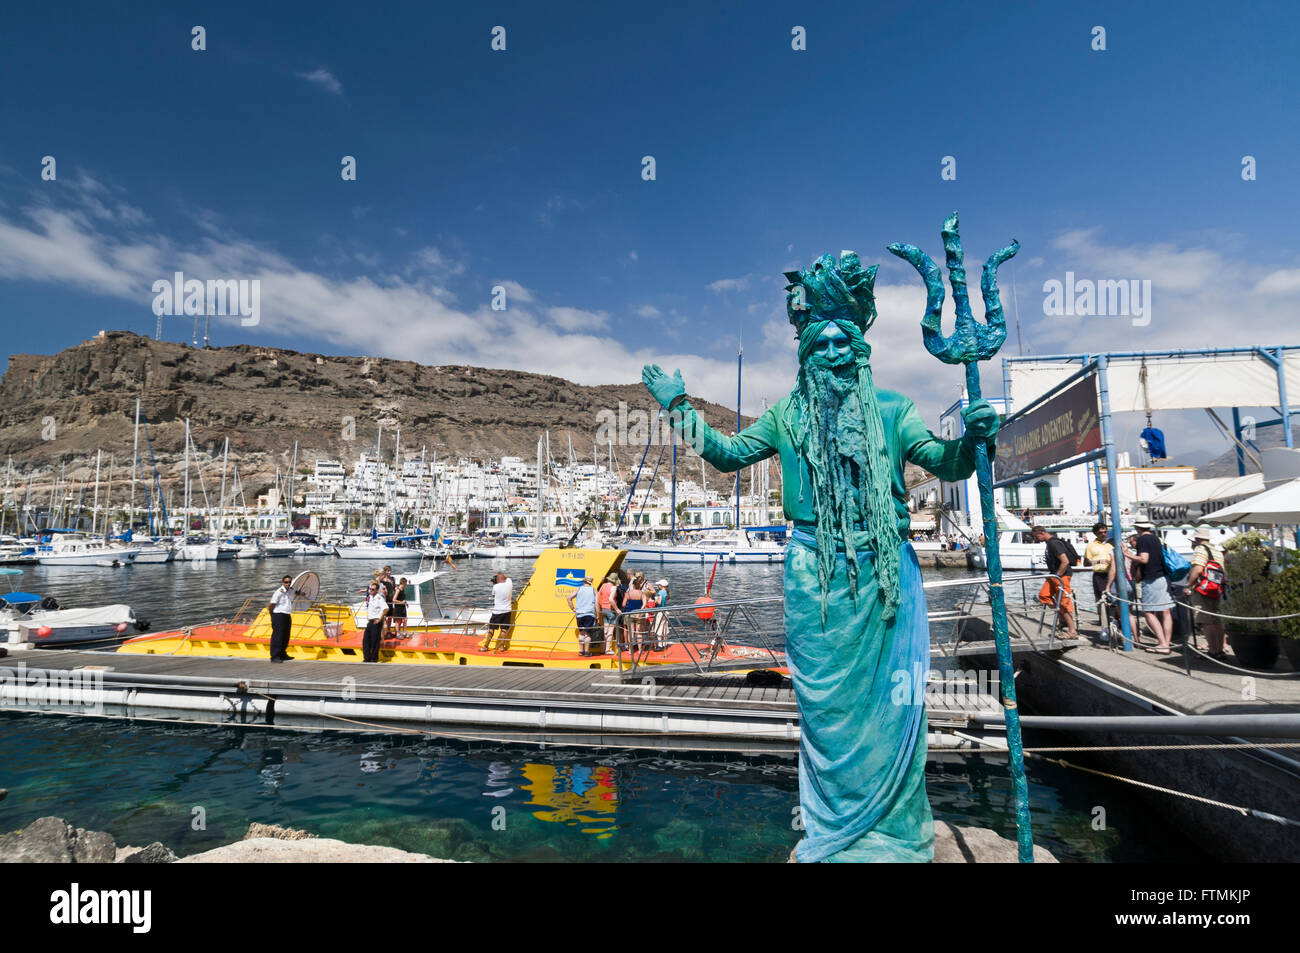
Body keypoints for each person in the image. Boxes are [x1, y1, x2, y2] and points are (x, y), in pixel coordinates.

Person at [642, 249, 999, 862]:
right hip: (815, 574)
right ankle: (836, 832)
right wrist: (680, 407)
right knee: (827, 710)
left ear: (860, 347)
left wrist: (974, 437)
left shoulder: (892, 409)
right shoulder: (787, 414)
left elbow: (944, 461)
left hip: (886, 572)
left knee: (895, 703)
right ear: (805, 352)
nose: (833, 352)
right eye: (820, 344)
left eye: (843, 342)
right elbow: (727, 455)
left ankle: (896, 834)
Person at [1122, 520, 1174, 653]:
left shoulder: (1143, 540)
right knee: (1166, 611)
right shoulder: (1156, 538)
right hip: (1163, 576)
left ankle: (1162, 643)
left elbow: (1144, 559)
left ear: (1137, 527)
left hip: (1151, 579)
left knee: (1149, 612)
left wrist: (1128, 554)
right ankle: (1166, 643)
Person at [1185, 528, 1228, 660]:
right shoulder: (1216, 551)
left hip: (1203, 589)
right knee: (1216, 620)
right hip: (1215, 588)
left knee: (1206, 621)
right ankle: (1220, 650)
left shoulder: (1200, 549)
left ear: (1196, 539)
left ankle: (1213, 651)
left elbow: (1198, 569)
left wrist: (1188, 585)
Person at [1031, 525, 1079, 639]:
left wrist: (1057, 576)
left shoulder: (1054, 543)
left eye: (1036, 536)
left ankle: (1072, 631)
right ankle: (1063, 620)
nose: (1036, 539)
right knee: (1043, 595)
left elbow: (1065, 561)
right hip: (1054, 575)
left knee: (1063, 603)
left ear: (1041, 533)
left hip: (1062, 576)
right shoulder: (1049, 543)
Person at [1084, 522, 1115, 630]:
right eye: (1100, 532)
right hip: (1100, 576)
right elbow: (1086, 563)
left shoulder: (1111, 544)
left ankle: (1116, 622)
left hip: (1113, 575)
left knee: (1115, 600)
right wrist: (1100, 561)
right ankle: (1104, 625)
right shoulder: (1091, 546)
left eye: (1105, 532)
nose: (1103, 534)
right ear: (1095, 533)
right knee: (1101, 601)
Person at [566, 573, 600, 657]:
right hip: (589, 614)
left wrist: (573, 609)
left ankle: (581, 651)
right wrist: (598, 614)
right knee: (587, 634)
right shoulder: (593, 590)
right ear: (590, 582)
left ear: (584, 581)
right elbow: (597, 604)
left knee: (581, 633)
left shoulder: (579, 589)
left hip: (580, 614)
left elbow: (569, 598)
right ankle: (587, 652)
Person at [481, 572, 513, 652]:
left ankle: (486, 646)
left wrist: (496, 576)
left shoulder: (495, 586)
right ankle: (502, 647)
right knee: (504, 630)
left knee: (491, 629)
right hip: (507, 611)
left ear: (498, 579)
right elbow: (507, 577)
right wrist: (499, 575)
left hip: (497, 612)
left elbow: (493, 596)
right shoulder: (509, 583)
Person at [268, 574, 297, 662]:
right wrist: (272, 615)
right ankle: (275, 656)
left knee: (286, 635)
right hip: (278, 614)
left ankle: (283, 654)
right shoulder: (279, 592)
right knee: (278, 636)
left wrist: (301, 593)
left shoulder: (290, 590)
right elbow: (271, 605)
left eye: (289, 582)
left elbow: (296, 592)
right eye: (286, 582)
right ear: (282, 583)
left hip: (287, 614)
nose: (288, 584)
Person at [361, 580, 388, 663]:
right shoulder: (371, 597)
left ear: (376, 590)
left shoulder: (379, 598)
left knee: (375, 641)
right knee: (366, 640)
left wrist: (380, 619)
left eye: (372, 589)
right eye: (370, 589)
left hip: (376, 622)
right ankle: (367, 658)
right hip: (370, 622)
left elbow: (386, 608)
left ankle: (374, 659)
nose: (370, 590)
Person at [624, 573, 646, 651]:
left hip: (629, 613)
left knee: (631, 632)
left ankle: (630, 649)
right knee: (639, 632)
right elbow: (644, 603)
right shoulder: (642, 593)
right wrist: (640, 610)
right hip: (639, 614)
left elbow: (623, 604)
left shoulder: (628, 593)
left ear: (633, 585)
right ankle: (640, 650)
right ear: (639, 585)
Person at [597, 572, 618, 652]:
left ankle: (603, 648)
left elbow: (598, 596)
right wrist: (617, 609)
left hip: (603, 609)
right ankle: (607, 649)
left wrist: (601, 605)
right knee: (611, 630)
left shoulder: (603, 585)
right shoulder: (613, 587)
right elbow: (611, 599)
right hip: (611, 610)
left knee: (605, 629)